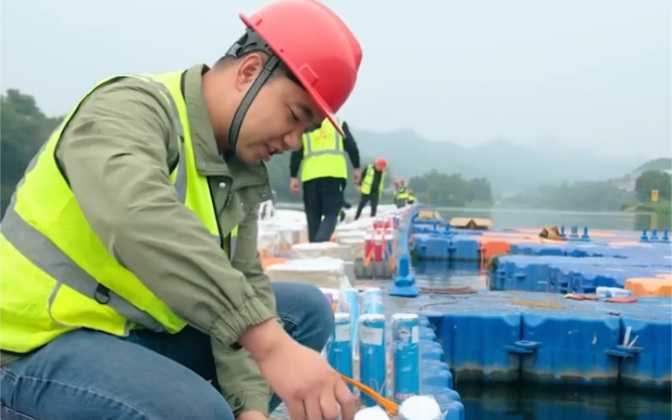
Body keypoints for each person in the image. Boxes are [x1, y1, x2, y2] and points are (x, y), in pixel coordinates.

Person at [0, 1, 362, 420]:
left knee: (303, 311)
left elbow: (244, 279)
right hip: (31, 342)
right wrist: (270, 346)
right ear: (248, 71)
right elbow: (136, 215)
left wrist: (252, 406)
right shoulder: (129, 107)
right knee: (197, 410)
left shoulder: (238, 169)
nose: (294, 141)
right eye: (295, 115)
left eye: (308, 130)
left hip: (129, 332)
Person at [289, 117, 361, 242]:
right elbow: (351, 145)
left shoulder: (306, 124)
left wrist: (293, 176)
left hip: (310, 177)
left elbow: (297, 152)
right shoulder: (338, 124)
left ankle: (314, 248)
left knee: (313, 216)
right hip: (333, 175)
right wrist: (356, 167)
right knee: (332, 212)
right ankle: (320, 241)